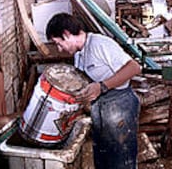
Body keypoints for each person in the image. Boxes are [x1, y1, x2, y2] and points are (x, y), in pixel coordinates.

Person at [46, 13, 141, 169]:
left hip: (119, 107)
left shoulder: (100, 44)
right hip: (101, 109)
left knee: (120, 160)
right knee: (103, 158)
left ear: (67, 34)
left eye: (58, 43)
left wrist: (102, 86)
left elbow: (134, 67)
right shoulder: (78, 55)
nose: (59, 49)